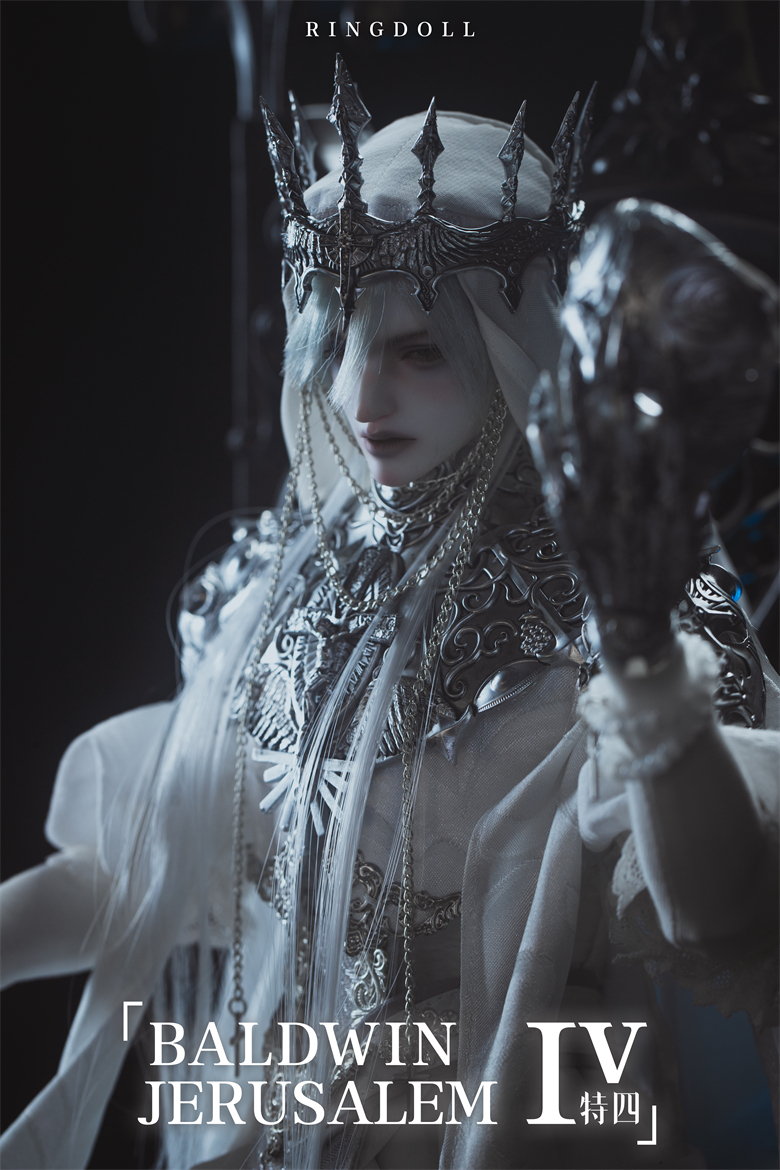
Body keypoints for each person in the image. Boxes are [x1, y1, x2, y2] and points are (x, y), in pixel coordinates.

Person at [1, 58, 777, 1170]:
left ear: (512, 345)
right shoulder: (291, 576)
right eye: (341, 342)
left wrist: (641, 645)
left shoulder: (615, 595)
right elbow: (154, 873)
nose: (362, 401)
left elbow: (730, 915)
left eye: (421, 352)